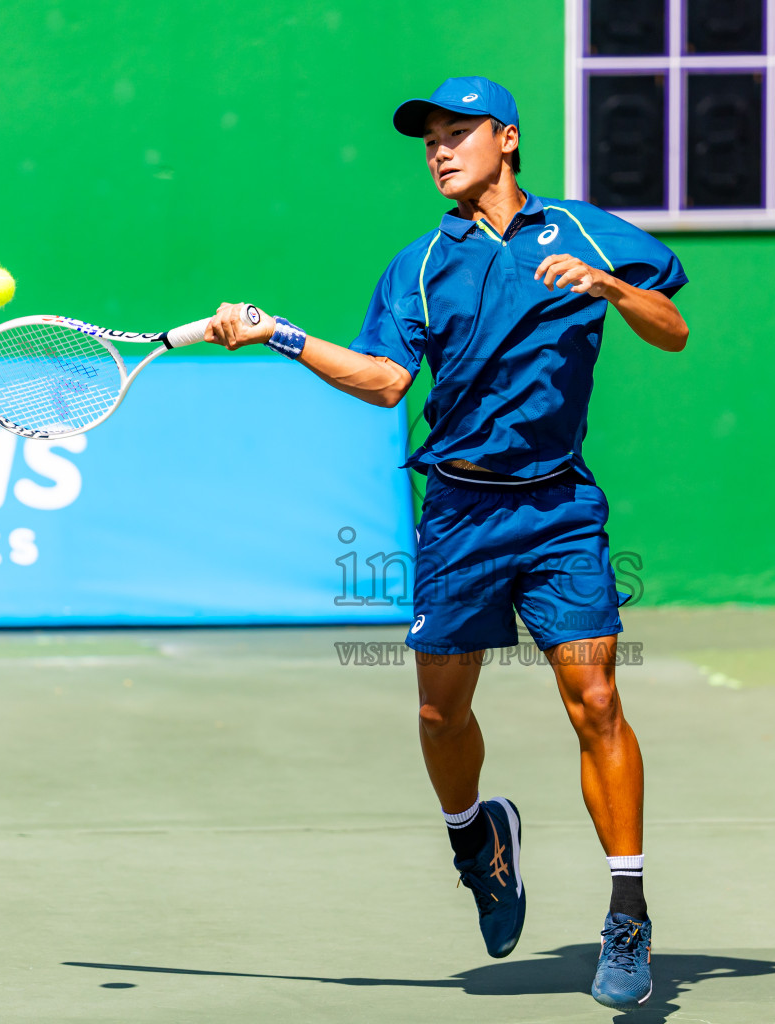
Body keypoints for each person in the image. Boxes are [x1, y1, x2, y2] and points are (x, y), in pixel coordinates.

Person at [200, 76, 689, 1010]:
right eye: (427, 138)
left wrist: (612, 286)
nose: (437, 148)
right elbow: (386, 381)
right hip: (460, 516)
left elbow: (670, 330)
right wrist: (278, 334)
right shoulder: (421, 264)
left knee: (595, 699)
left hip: (559, 512)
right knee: (438, 716)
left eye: (456, 132)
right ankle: (477, 836)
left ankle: (627, 912)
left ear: (506, 139)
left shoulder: (586, 232)